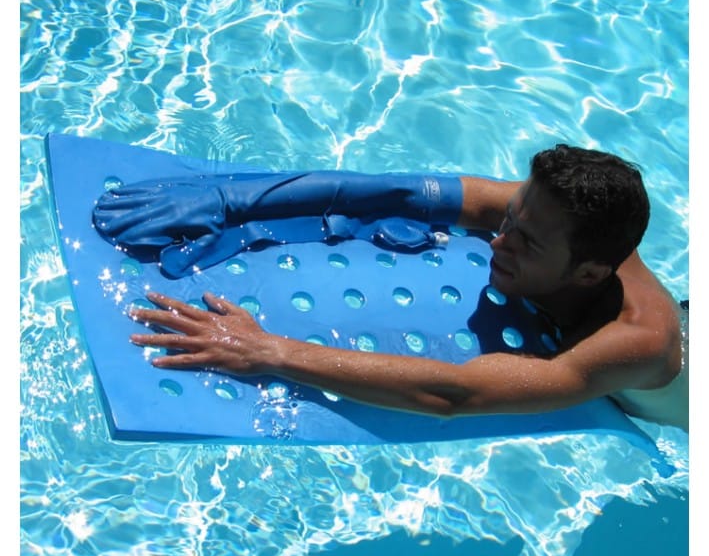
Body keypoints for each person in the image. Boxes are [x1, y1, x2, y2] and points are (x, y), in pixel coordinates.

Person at [120, 145, 688, 430]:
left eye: (526, 243)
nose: (497, 240)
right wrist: (233, 202)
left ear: (589, 274)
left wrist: (267, 350)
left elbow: (457, 395)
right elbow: (399, 193)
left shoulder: (635, 341)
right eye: (508, 219)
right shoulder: (560, 217)